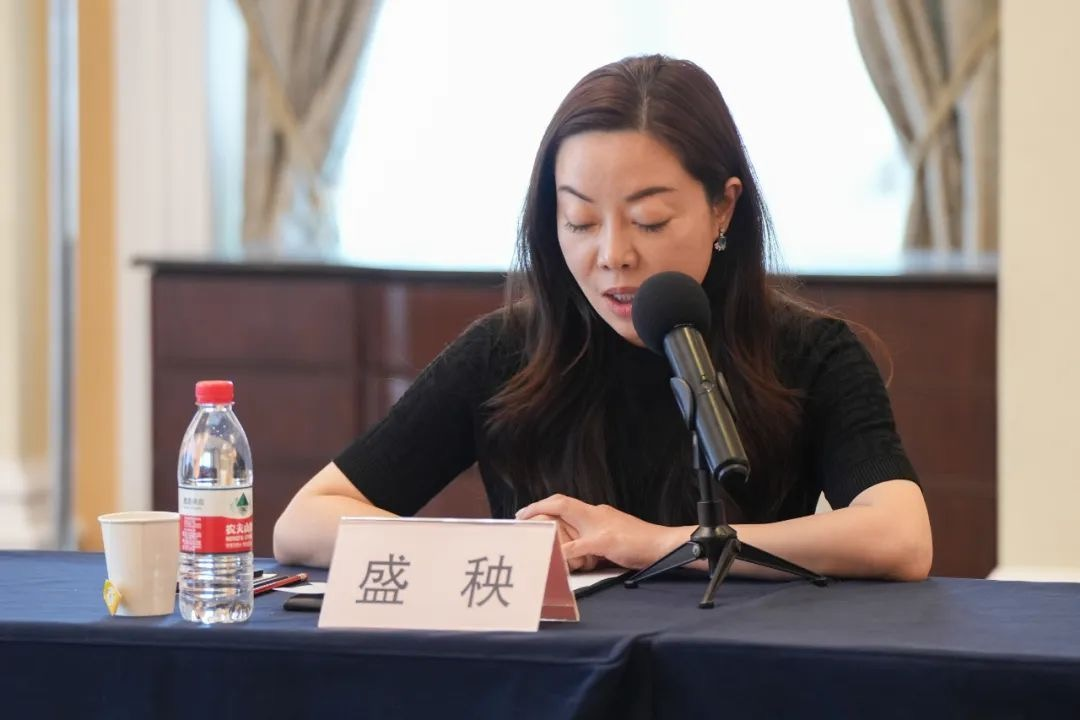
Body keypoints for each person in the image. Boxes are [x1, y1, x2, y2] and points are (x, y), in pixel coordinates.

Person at [274, 55, 933, 581]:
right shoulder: (508, 351)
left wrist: (653, 544)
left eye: (650, 220)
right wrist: (498, 552)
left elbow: (901, 537)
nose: (613, 255)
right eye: (581, 221)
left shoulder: (810, 352)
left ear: (723, 208)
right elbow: (304, 522)